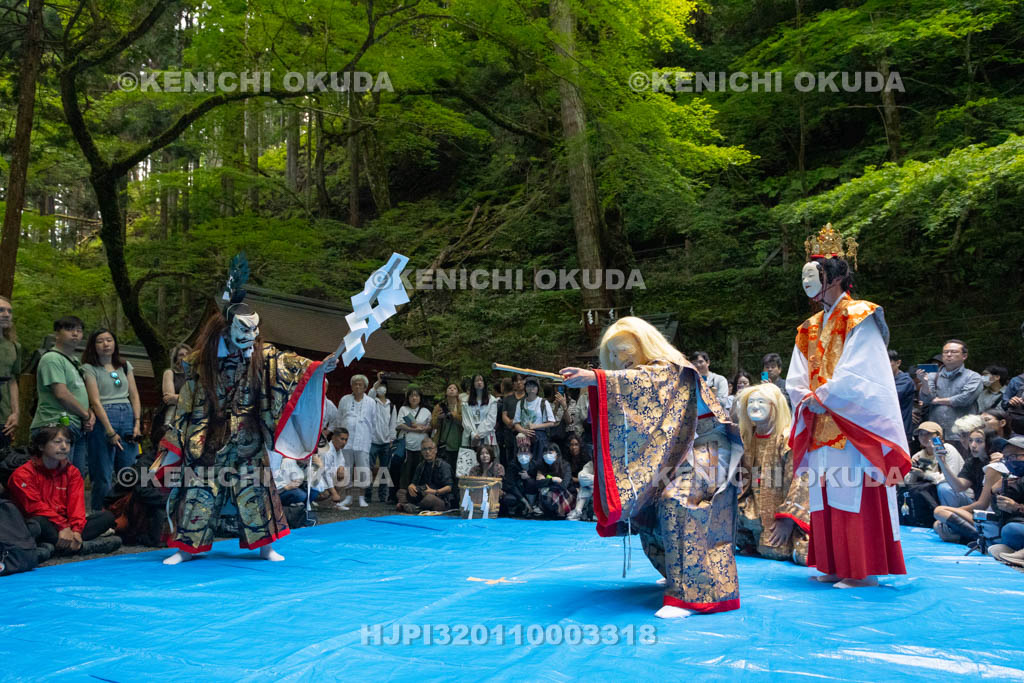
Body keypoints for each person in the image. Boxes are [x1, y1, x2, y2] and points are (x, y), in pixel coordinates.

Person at [561, 316, 743, 618]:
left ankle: (690, 594)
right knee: (647, 501)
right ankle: (677, 571)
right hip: (677, 449)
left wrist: (596, 378)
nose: (621, 358)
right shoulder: (644, 374)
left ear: (643, 343)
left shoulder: (673, 368)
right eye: (614, 354)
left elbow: (646, 382)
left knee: (677, 501)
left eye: (624, 349)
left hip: (708, 446)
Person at [159, 297, 336, 565]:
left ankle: (266, 547)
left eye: (255, 329)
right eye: (244, 329)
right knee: (198, 490)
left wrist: (318, 367)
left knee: (257, 491)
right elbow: (188, 400)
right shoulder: (202, 360)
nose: (251, 335)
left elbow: (290, 364)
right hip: (209, 436)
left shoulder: (263, 356)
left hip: (248, 436)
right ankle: (187, 548)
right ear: (226, 327)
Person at [787, 226, 910, 589]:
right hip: (820, 422)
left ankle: (861, 570)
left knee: (854, 492)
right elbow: (796, 375)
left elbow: (864, 372)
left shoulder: (861, 315)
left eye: (817, 273)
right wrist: (805, 397)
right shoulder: (808, 327)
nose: (809, 281)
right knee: (825, 497)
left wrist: (825, 397)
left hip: (851, 423)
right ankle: (834, 564)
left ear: (836, 276)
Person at [8, 425, 121, 558]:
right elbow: (34, 507)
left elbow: (77, 506)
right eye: (57, 442)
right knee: (37, 523)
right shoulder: (23, 474)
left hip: (65, 526)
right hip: (40, 523)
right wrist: (62, 527)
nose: (64, 447)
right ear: (41, 446)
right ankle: (80, 547)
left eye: (67, 442)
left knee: (106, 517)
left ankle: (57, 547)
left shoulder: (72, 472)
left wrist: (76, 530)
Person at [734, 383, 810, 565]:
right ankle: (752, 535)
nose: (755, 406)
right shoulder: (746, 437)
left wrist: (788, 519)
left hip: (780, 509)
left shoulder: (787, 438)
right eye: (751, 402)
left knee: (777, 551)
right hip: (754, 505)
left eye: (761, 401)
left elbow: (801, 480)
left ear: (775, 406)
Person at [81, 329, 142, 511]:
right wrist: (110, 431)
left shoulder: (124, 366)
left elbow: (134, 395)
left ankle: (126, 514)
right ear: (93, 345)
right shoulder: (89, 368)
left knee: (128, 470)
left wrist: (137, 423)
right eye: (100, 341)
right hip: (104, 417)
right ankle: (99, 514)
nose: (106, 344)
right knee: (103, 472)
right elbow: (95, 401)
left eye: (109, 340)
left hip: (128, 415)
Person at [30, 316, 93, 478]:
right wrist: (86, 415)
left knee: (73, 478)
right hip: (54, 425)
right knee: (56, 478)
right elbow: (61, 394)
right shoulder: (52, 358)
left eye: (79, 331)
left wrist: (89, 415)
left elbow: (80, 393)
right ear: (57, 333)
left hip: (75, 425)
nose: (75, 334)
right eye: (70, 329)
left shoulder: (74, 361)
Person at [931, 428, 1003, 543]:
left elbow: (982, 505)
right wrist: (942, 462)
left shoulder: (994, 467)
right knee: (938, 525)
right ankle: (971, 539)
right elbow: (958, 487)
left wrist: (952, 511)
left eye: (979, 441)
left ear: (989, 443)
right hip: (980, 512)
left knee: (940, 512)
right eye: (970, 441)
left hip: (991, 516)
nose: (973, 445)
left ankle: (984, 540)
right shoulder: (972, 462)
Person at [916, 340, 982, 439]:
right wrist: (924, 383)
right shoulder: (932, 376)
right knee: (936, 454)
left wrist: (937, 400)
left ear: (964, 356)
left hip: (962, 434)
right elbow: (926, 399)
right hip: (936, 432)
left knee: (962, 454)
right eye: (946, 352)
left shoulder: (973, 376)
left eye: (954, 352)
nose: (949, 355)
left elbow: (965, 399)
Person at [332, 374, 376, 508]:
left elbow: (373, 422)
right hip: (347, 441)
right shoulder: (344, 400)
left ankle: (362, 497)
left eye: (360, 384)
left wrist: (369, 437)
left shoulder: (371, 402)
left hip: (363, 440)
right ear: (351, 386)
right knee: (347, 468)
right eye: (355, 384)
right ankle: (349, 497)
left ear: (365, 387)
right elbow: (339, 419)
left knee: (363, 469)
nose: (357, 386)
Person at [986, 436, 1024, 565]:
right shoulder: (1015, 480)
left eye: (1014, 456)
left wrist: (1016, 507)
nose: (1010, 461)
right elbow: (999, 513)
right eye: (1006, 458)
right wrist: (996, 491)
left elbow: (1016, 509)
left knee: (1012, 530)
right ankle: (1014, 552)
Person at [396, 387, 432, 502]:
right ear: (408, 397)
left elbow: (432, 426)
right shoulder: (403, 409)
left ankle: (418, 496)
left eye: (417, 395)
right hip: (407, 445)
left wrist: (426, 428)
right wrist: (415, 429)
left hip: (422, 446)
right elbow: (399, 425)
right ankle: (403, 498)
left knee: (420, 470)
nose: (414, 398)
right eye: (412, 396)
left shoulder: (426, 411)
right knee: (406, 471)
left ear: (420, 398)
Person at [152, 343, 191, 449]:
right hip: (171, 417)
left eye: (187, 354)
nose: (184, 357)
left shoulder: (196, 375)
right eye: (181, 355)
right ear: (175, 358)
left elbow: (200, 399)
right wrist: (190, 399)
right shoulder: (170, 373)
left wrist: (177, 397)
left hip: (191, 418)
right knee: (168, 448)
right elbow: (169, 399)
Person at [402, 437, 453, 512]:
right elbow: (414, 483)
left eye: (430, 448)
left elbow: (449, 487)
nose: (427, 452)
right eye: (424, 449)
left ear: (435, 450)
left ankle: (416, 508)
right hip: (423, 494)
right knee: (401, 492)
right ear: (421, 452)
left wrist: (435, 492)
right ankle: (413, 506)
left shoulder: (443, 466)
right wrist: (411, 486)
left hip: (440, 498)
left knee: (429, 499)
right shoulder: (421, 465)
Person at [369, 374, 397, 503]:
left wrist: (392, 438)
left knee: (384, 470)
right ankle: (367, 494)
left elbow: (393, 423)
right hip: (373, 440)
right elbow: (370, 394)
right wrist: (377, 382)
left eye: (383, 386)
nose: (381, 389)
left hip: (386, 442)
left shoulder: (391, 406)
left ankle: (382, 496)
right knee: (368, 468)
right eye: (380, 387)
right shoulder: (372, 402)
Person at [513, 378, 557, 458]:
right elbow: (516, 423)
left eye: (534, 386)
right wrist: (523, 430)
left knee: (538, 462)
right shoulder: (520, 403)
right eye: (529, 385)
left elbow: (551, 422)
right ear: (525, 388)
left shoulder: (543, 402)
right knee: (524, 460)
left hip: (540, 437)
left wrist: (535, 426)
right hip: (523, 438)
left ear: (538, 388)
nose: (531, 388)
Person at [0, 295, 22, 452]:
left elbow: (12, 380)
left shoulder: (14, 346)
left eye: (9, 311)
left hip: (4, 417)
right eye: (1, 310)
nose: (6, 314)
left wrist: (15, 412)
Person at [432, 383, 464, 477]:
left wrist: (452, 415)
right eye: (449, 388)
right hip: (443, 443)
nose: (452, 389)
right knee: (443, 470)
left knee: (456, 470)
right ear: (446, 392)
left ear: (458, 392)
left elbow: (465, 422)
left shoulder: (462, 406)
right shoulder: (439, 406)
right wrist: (439, 418)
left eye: (454, 388)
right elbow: (433, 425)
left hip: (458, 442)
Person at [501, 433, 536, 517]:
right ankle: (519, 507)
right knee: (509, 499)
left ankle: (530, 508)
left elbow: (537, 482)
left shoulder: (535, 464)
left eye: (526, 449)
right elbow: (510, 485)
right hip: (517, 493)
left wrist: (529, 477)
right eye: (521, 449)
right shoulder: (512, 464)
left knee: (531, 482)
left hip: (530, 493)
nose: (524, 451)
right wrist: (524, 501)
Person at [533, 443, 573, 518]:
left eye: (550, 452)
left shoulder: (565, 465)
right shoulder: (541, 466)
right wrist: (552, 479)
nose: (547, 455)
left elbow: (564, 486)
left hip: (565, 494)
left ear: (557, 454)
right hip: (550, 492)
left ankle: (560, 512)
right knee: (545, 493)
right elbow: (537, 483)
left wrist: (545, 481)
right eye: (545, 452)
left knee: (548, 492)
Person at [314, 428, 349, 509]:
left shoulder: (338, 449)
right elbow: (326, 474)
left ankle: (335, 504)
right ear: (333, 438)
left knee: (344, 473)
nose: (344, 442)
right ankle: (309, 500)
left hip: (325, 477)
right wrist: (334, 493)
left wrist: (341, 467)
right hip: (316, 479)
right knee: (325, 494)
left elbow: (342, 461)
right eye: (342, 439)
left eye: (346, 440)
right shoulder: (327, 451)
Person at [463, 374, 498, 450]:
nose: (479, 382)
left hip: (487, 435)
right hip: (470, 436)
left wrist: (478, 435)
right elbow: (466, 420)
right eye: (476, 380)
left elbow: (491, 421)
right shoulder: (465, 401)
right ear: (473, 383)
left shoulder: (492, 400)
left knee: (487, 459)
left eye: (481, 380)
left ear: (484, 383)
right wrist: (473, 435)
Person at [889, 350, 916, 447]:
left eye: (888, 361)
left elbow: (888, 399)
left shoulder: (905, 380)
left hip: (900, 431)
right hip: (886, 429)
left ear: (898, 363)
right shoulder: (884, 379)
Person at [500, 375, 526, 467]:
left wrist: (517, 424)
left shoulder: (528, 398)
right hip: (509, 433)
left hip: (524, 434)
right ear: (513, 383)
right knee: (510, 460)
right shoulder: (508, 398)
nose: (518, 383)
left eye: (521, 380)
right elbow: (504, 415)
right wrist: (511, 423)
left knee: (523, 459)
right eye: (516, 381)